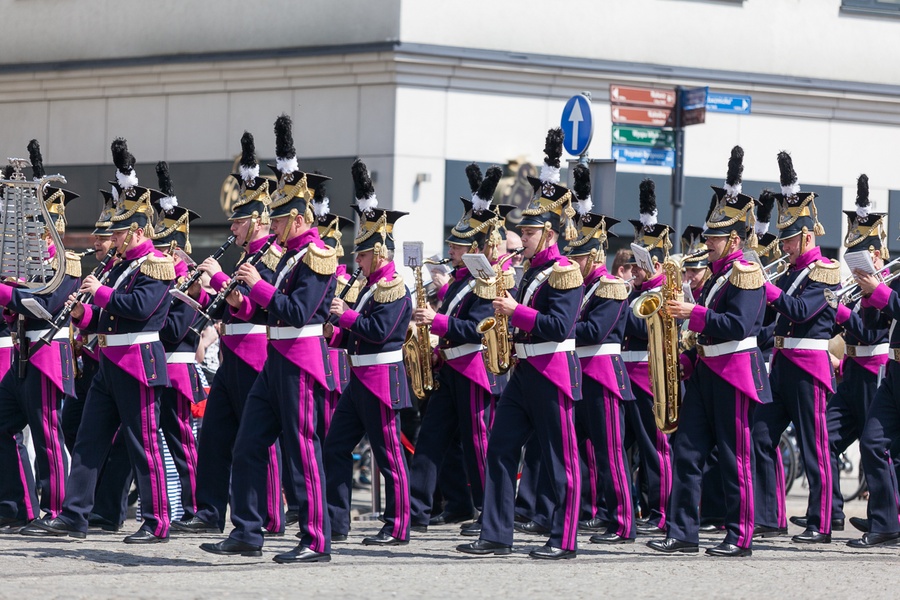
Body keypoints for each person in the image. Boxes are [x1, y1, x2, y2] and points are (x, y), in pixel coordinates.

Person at [22, 138, 176, 543]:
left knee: (143, 443)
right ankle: (74, 515)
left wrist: (101, 294)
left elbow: (140, 307)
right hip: (110, 360)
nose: (116, 237)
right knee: (89, 440)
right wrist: (82, 313)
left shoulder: (157, 264)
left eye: (122, 231)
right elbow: (107, 316)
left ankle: (157, 519)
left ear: (138, 231)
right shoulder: (120, 266)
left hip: (139, 358)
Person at [199, 115, 336, 563]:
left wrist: (257, 285)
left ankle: (316, 539)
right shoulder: (284, 253)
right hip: (275, 358)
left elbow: (297, 311)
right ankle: (247, 530)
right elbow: (261, 306)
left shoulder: (318, 255)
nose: (271, 227)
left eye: (278, 219)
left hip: (300, 358)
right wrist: (233, 292)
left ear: (298, 218)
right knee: (247, 444)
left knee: (301, 450)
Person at [457, 128, 583, 560]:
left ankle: (564, 538)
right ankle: (496, 532)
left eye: (529, 234)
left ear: (548, 233)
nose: (521, 239)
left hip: (553, 371)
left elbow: (559, 325)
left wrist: (515, 313)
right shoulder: (526, 271)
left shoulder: (565, 271)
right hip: (524, 371)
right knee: (500, 447)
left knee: (560, 459)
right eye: (522, 233)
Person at [650, 145, 770, 557]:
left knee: (736, 460)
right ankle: (683, 532)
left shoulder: (747, 273)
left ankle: (740, 535)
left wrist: (693, 313)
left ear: (733, 239)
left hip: (735, 372)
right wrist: (683, 359)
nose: (709, 243)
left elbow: (738, 326)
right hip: (705, 372)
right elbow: (708, 331)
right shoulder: (717, 276)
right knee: (686, 450)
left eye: (715, 238)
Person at [173, 132, 285, 536]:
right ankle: (208, 511)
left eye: (238, 221)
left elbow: (255, 304)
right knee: (217, 434)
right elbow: (225, 306)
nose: (232, 228)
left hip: (256, 349)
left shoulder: (272, 255)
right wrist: (200, 288)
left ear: (256, 221)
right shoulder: (247, 255)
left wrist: (218, 276)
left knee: (258, 438)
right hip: (232, 351)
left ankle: (270, 515)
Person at [407, 164, 513, 533]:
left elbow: (477, 331)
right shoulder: (456, 282)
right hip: (450, 368)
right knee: (431, 439)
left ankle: (489, 512)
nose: (450, 250)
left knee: (478, 442)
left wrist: (434, 323)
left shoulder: (484, 282)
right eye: (452, 245)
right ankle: (418, 512)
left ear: (473, 250)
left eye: (457, 246)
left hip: (473, 368)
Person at [323, 159, 413, 549]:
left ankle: (398, 525)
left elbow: (379, 332)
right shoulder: (366, 287)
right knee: (335, 446)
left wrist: (347, 318)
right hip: (358, 378)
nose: (356, 262)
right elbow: (356, 334)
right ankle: (336, 521)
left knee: (389, 456)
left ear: (377, 253)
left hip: (381, 378)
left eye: (361, 256)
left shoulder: (394, 287)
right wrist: (337, 329)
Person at [752, 151, 840, 544]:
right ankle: (771, 517)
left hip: (809, 365)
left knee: (814, 446)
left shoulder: (824, 270)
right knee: (759, 435)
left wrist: (766, 290)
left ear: (806, 237)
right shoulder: (790, 272)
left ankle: (820, 522)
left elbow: (803, 311)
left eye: (789, 240)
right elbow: (777, 322)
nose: (784, 247)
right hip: (783, 364)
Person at [793, 175, 889, 534]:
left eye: (860, 258)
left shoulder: (886, 286)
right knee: (825, 438)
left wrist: (842, 310)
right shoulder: (856, 287)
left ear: (876, 255)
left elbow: (871, 332)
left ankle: (886, 515)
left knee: (877, 445)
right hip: (850, 370)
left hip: (875, 369)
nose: (853, 268)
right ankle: (829, 510)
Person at [0, 143, 80, 530]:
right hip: (23, 352)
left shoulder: (66, 262)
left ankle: (56, 509)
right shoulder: (26, 262)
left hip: (48, 351)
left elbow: (46, 304)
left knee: (48, 434)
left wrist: (6, 291)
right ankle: (17, 504)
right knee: (3, 424)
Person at [563, 164, 635, 544]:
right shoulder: (577, 286)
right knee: (584, 453)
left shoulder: (610, 286)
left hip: (603, 373)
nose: (572, 263)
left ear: (594, 256)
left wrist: (558, 329)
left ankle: (623, 523)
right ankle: (593, 513)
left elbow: (593, 332)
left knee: (611, 454)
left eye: (579, 258)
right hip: (579, 373)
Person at [150, 162, 206, 524]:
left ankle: (194, 507)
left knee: (182, 443)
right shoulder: (160, 277)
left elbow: (174, 329)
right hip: (155, 364)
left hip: (178, 367)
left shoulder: (191, 281)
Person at [622, 178, 673, 534]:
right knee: (620, 450)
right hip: (625, 374)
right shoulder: (634, 291)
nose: (636, 270)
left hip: (648, 375)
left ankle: (662, 512)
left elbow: (642, 330)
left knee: (654, 450)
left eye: (641, 264)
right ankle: (627, 511)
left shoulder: (662, 291)